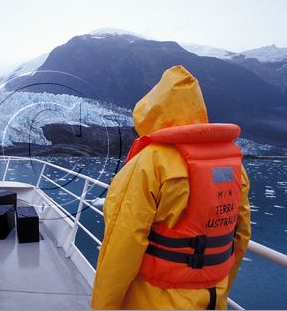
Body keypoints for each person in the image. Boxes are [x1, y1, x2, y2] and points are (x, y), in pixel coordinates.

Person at [91, 65, 251, 310]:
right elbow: (241, 235)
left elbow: (122, 244)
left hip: (156, 298)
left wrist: (104, 306)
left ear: (153, 107)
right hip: (213, 296)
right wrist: (221, 288)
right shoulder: (234, 165)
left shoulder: (150, 163)